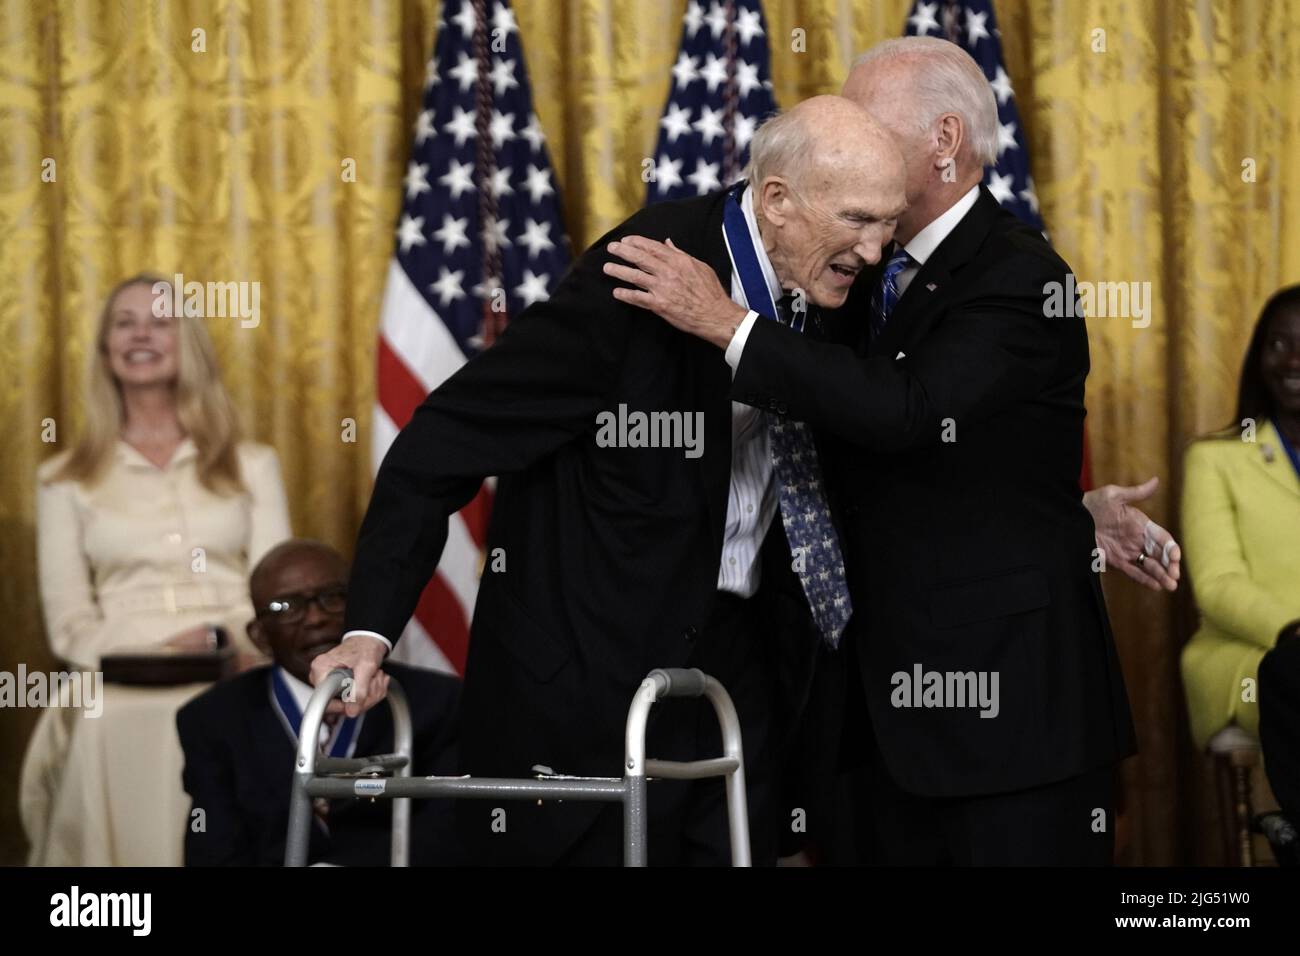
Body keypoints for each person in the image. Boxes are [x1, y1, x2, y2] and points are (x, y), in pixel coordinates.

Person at [310, 95, 909, 866]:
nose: (874, 249)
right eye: (858, 220)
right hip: (585, 691)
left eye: (889, 224)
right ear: (778, 202)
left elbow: (875, 416)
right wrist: (370, 629)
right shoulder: (643, 272)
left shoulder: (835, 280)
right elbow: (441, 440)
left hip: (739, 677)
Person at [608, 38, 1141, 865]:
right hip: (861, 720)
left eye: (869, 123)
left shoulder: (1022, 276)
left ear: (945, 141)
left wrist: (726, 323)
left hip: (1003, 720)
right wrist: (1071, 506)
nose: (847, 142)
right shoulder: (862, 262)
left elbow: (908, 412)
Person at [20, 273, 292, 865]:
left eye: (159, 321)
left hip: (238, 662)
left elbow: (279, 599)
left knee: (234, 717)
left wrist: (226, 641)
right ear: (105, 348)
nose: (140, 334)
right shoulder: (62, 478)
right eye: (124, 322)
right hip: (116, 672)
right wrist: (166, 648)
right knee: (100, 719)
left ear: (186, 342)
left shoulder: (253, 465)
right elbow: (70, 627)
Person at [177, 539, 461, 866]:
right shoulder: (212, 718)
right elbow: (214, 851)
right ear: (260, 637)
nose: (315, 619)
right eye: (287, 607)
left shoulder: (436, 702)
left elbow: (447, 835)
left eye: (332, 598)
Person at [1181, 286, 1300, 828]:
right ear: (1259, 358)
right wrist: (1294, 629)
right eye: (1279, 344)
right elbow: (1217, 583)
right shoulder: (1216, 459)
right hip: (1253, 661)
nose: (1293, 360)